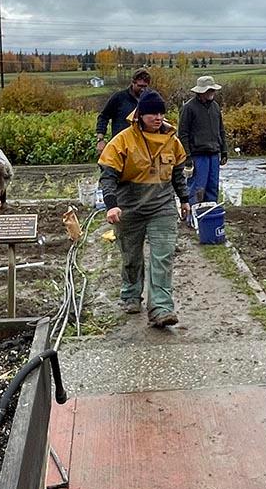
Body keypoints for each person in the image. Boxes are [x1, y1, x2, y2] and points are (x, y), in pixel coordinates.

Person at [98, 89, 190, 328]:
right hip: (129, 206)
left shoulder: (172, 141)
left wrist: (185, 199)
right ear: (140, 116)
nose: (158, 118)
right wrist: (111, 205)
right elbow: (108, 176)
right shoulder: (122, 141)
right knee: (131, 256)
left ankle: (161, 307)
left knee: (163, 255)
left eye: (161, 113)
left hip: (162, 206)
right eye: (152, 114)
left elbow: (178, 173)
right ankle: (130, 294)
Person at [178, 75, 229, 212]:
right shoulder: (188, 108)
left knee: (212, 187)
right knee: (197, 188)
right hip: (197, 155)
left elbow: (221, 129)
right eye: (209, 90)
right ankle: (193, 217)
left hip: (214, 154)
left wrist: (224, 150)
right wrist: (187, 157)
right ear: (200, 92)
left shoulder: (215, 107)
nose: (212, 92)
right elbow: (182, 134)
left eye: (213, 90)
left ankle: (210, 216)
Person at [95, 68, 151, 154]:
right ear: (133, 83)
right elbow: (103, 117)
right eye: (140, 86)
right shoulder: (119, 98)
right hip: (120, 147)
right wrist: (100, 139)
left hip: (143, 149)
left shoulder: (151, 100)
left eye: (145, 86)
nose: (142, 89)